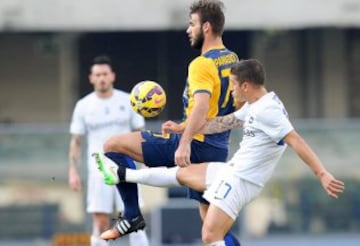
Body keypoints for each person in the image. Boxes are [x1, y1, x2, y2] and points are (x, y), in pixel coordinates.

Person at [95, 59, 345, 246]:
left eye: (234, 86)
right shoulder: (257, 104)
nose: (232, 91)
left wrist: (321, 173)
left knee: (210, 236)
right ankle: (121, 174)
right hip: (231, 171)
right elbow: (223, 122)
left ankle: (121, 174)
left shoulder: (269, 111)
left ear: (246, 86)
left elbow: (296, 140)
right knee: (182, 174)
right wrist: (182, 128)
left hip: (241, 181)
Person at [96, 0, 241, 245]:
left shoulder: (201, 64)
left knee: (112, 145)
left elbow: (204, 104)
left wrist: (184, 141)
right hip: (217, 149)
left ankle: (132, 215)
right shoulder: (231, 59)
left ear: (206, 27)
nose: (188, 29)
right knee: (213, 231)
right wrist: (183, 125)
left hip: (195, 145)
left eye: (192, 24)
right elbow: (217, 110)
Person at [68, 55, 149, 246]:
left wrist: (146, 161)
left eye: (105, 74)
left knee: (134, 219)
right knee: (101, 222)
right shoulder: (83, 106)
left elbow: (140, 134)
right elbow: (76, 141)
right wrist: (73, 170)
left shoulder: (128, 100)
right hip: (99, 171)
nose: (101, 78)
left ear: (112, 76)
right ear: (91, 78)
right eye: (97, 75)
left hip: (126, 168)